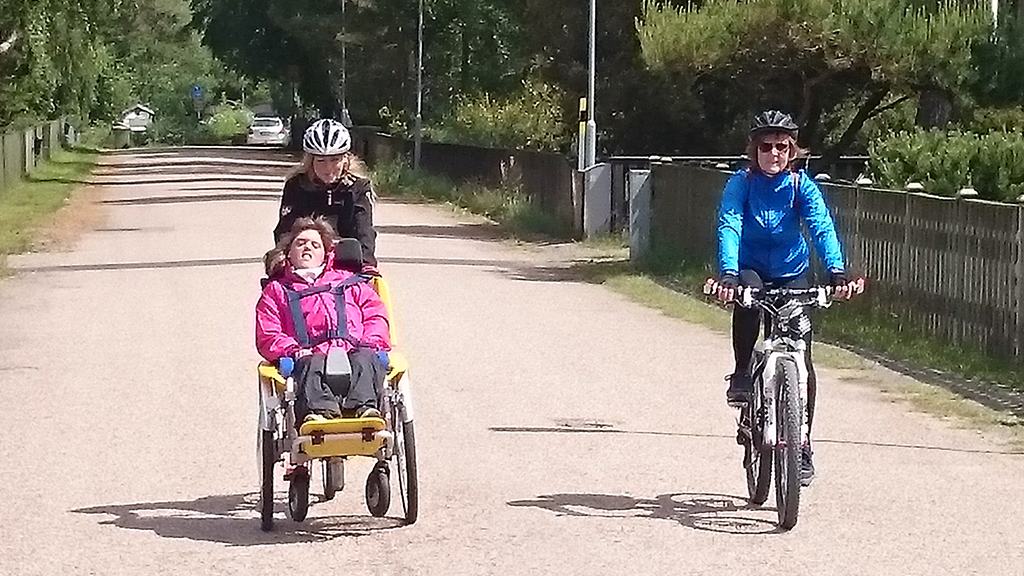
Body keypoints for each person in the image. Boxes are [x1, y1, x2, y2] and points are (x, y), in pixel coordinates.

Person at [709, 110, 861, 485]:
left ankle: (802, 444)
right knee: (747, 300)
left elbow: (821, 226)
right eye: (766, 147)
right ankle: (743, 371)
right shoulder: (741, 184)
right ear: (754, 150)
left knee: (802, 361)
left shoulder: (800, 185)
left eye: (781, 147)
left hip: (793, 272)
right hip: (750, 268)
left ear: (792, 150)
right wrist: (729, 273)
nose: (774, 153)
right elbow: (730, 223)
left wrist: (837, 271)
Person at [256, 217, 391, 424]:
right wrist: (292, 350)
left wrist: (370, 342)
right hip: (308, 353)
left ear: (326, 254)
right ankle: (319, 414)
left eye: (315, 244)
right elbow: (268, 333)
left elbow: (375, 315)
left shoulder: (350, 282)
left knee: (365, 358)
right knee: (310, 363)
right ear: (288, 253)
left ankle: (365, 410)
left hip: (355, 348)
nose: (307, 247)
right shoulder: (277, 291)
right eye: (300, 243)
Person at [274, 118, 379, 271]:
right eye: (321, 161)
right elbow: (285, 230)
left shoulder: (359, 188)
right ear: (310, 161)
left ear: (345, 159)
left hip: (346, 265)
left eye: (334, 160)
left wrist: (367, 265)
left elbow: (364, 233)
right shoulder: (296, 186)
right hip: (305, 264)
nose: (328, 168)